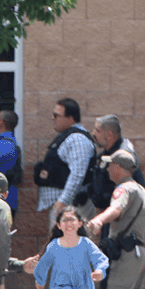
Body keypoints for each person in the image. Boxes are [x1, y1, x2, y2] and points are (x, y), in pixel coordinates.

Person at [87, 149, 145, 289]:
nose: (107, 169)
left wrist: (98, 220)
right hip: (138, 254)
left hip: (127, 254)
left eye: (109, 165)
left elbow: (116, 209)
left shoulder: (123, 190)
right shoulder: (140, 189)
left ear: (117, 167)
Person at [33, 97, 97, 233]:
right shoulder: (69, 137)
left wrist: (62, 202)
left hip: (71, 208)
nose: (53, 118)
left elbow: (77, 174)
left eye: (57, 115)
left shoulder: (78, 139)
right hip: (66, 207)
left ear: (71, 118)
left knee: (67, 250)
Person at [86, 114, 145, 213]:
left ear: (109, 135)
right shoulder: (107, 153)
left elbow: (127, 192)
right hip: (108, 214)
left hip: (120, 217)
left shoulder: (123, 157)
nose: (93, 133)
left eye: (98, 130)